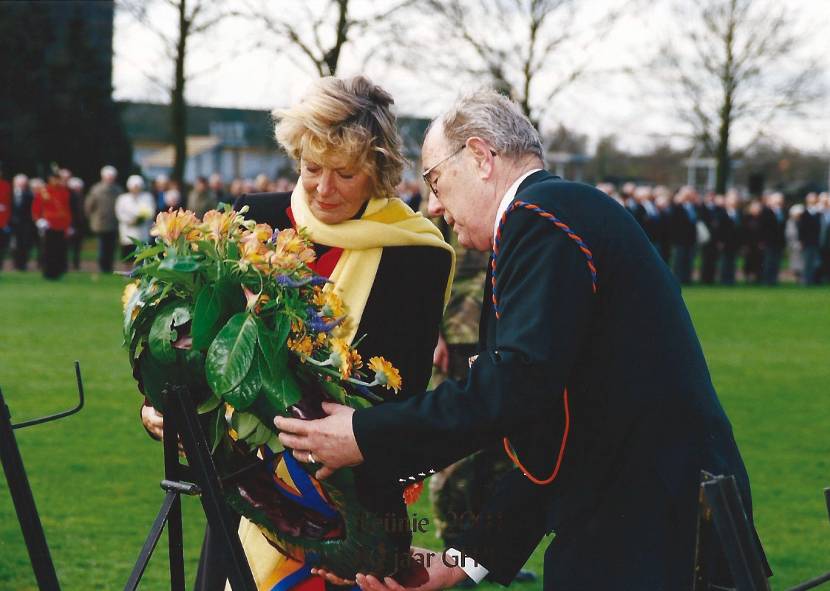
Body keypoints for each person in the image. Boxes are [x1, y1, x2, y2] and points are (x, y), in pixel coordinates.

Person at [276, 89, 769, 591]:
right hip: (644, 522)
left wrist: (366, 434)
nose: (435, 206)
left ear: (479, 157)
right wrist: (462, 560)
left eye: (435, 181)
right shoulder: (554, 215)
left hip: (648, 532)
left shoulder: (538, 217)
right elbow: (551, 430)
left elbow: (513, 388)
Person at [140, 75, 454, 591]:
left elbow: (403, 392)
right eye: (312, 169)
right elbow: (194, 344)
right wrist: (164, 405)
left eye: (345, 173)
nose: (325, 189)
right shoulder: (252, 221)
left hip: (348, 497)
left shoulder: (417, 253)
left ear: (378, 172)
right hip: (247, 488)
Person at [31, 170, 72, 279]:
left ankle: (59, 272)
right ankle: (48, 273)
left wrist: (68, 225)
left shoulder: (64, 192)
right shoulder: (44, 191)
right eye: (54, 179)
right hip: (48, 225)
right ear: (50, 180)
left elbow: (67, 210)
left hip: (61, 225)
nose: (56, 181)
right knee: (48, 251)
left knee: (60, 250)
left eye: (57, 179)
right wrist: (39, 220)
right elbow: (36, 208)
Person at [85, 165, 123, 273]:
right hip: (100, 223)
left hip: (114, 223)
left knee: (111, 247)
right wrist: (92, 218)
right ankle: (103, 267)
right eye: (108, 176)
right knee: (102, 247)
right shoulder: (96, 189)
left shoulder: (118, 190)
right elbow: (89, 205)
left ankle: (109, 267)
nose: (110, 179)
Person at [115, 175, 155, 262]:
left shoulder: (147, 197)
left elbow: (151, 212)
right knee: (128, 255)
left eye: (138, 187)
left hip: (143, 231)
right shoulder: (123, 198)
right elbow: (119, 212)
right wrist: (130, 221)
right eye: (134, 187)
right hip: (127, 230)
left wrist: (141, 219)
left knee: (142, 256)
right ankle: (127, 273)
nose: (136, 189)